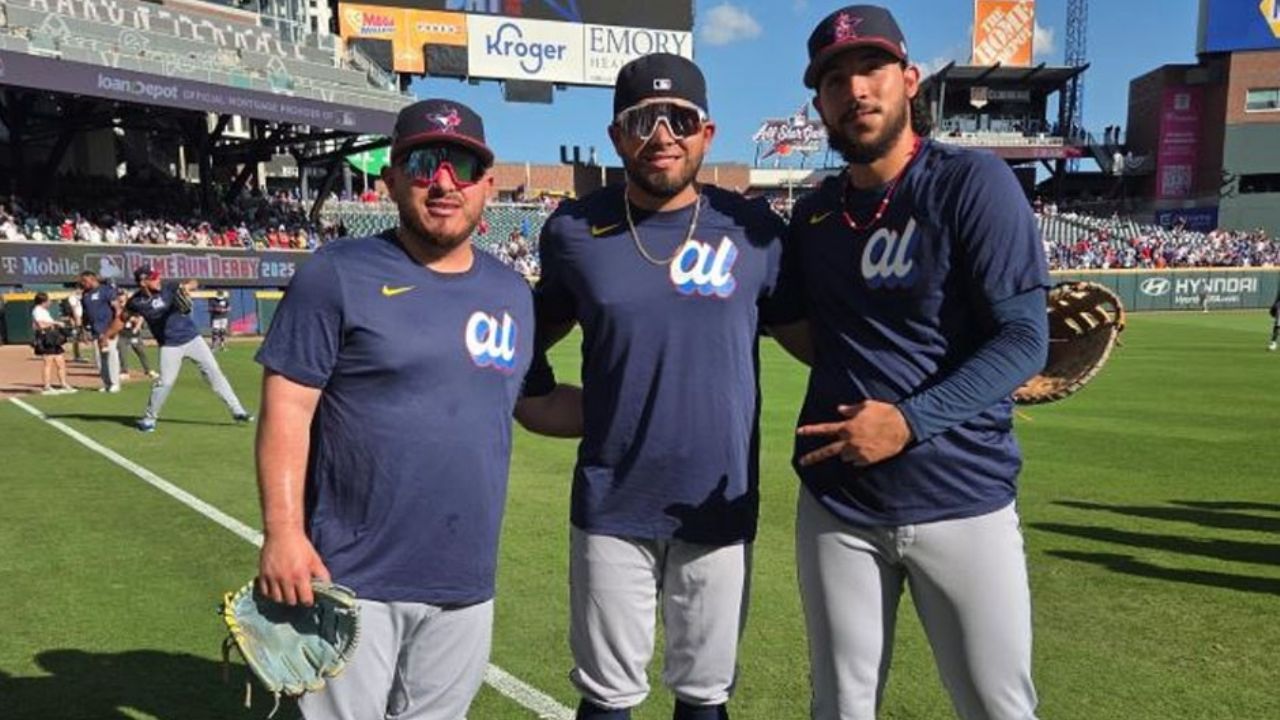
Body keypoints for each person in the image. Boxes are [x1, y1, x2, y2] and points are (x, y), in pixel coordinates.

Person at [253, 98, 579, 720]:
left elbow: (533, 403)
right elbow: (287, 409)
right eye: (426, 163)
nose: (444, 182)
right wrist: (283, 533)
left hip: (464, 581)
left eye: (462, 165)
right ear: (393, 179)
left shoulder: (512, 293)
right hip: (350, 577)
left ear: (487, 183)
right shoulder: (337, 272)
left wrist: (640, 413)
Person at [783, 6, 1050, 720]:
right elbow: (792, 323)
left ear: (908, 79)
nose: (855, 91)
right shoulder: (811, 216)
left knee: (998, 707)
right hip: (839, 505)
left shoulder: (973, 183)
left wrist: (908, 420)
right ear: (820, 105)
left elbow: (1025, 339)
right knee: (839, 708)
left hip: (963, 499)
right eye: (834, 80)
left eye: (870, 69)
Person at [532, 54, 808, 720]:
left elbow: (823, 345)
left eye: (679, 118)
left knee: (704, 698)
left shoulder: (756, 234)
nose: (662, 134)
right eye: (643, 119)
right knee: (606, 697)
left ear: (706, 134)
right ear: (617, 136)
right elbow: (520, 346)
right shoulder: (573, 232)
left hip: (718, 500)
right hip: (611, 501)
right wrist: (551, 405)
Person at [114, 266, 253, 432]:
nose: (158, 279)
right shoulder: (136, 301)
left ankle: (238, 410)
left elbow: (193, 281)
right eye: (153, 277)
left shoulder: (169, 287)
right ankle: (149, 419)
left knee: (215, 373)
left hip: (193, 339)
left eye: (157, 276)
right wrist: (108, 334)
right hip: (170, 345)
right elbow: (123, 317)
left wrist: (186, 288)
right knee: (165, 382)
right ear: (143, 282)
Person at [77, 271, 122, 392]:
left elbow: (117, 309)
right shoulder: (85, 295)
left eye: (84, 281)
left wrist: (115, 327)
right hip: (95, 330)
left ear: (91, 279)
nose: (82, 284)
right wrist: (84, 329)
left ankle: (115, 383)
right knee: (99, 358)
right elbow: (85, 314)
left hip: (109, 328)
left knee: (111, 355)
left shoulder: (106, 290)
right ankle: (106, 383)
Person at [30, 292, 76, 395]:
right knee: (48, 363)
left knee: (61, 362)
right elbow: (41, 325)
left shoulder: (44, 311)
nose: (50, 302)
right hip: (46, 338)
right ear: (43, 301)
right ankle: (47, 386)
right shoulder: (37, 310)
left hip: (53, 337)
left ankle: (64, 384)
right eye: (48, 300)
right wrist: (56, 323)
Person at [118, 313, 158, 379]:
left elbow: (140, 318)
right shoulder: (122, 309)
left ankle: (148, 370)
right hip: (123, 335)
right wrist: (130, 318)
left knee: (141, 352)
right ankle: (124, 371)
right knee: (123, 354)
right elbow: (123, 316)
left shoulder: (135, 308)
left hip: (134, 335)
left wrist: (137, 325)